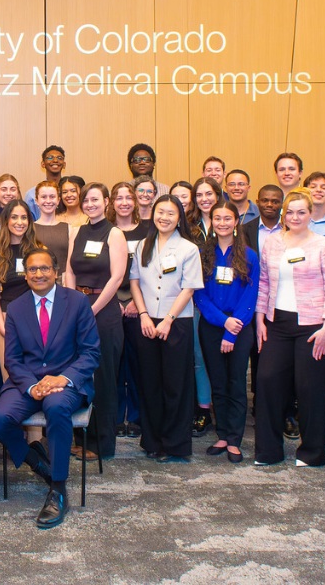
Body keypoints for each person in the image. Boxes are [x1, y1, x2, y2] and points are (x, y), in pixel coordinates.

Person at [0, 246, 101, 529]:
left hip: (67, 382)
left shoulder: (77, 303)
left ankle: (58, 488)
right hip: (27, 382)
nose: (38, 274)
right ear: (25, 275)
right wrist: (31, 387)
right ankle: (40, 465)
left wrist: (62, 379)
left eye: (44, 268)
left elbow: (91, 353)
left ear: (56, 272)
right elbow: (12, 359)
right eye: (32, 269)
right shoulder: (15, 308)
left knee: (56, 407)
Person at [253, 188, 325, 466]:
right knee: (267, 382)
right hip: (276, 323)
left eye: (301, 211)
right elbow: (264, 282)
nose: (295, 216)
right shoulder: (273, 242)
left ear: (310, 214)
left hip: (313, 325)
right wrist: (259, 318)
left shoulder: (324, 244)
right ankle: (268, 451)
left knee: (311, 388)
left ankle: (312, 452)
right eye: (289, 211)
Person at [129, 196, 204, 463]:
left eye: (171, 213)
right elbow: (135, 283)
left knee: (176, 385)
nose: (164, 217)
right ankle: (152, 440)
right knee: (150, 383)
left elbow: (190, 287)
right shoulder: (142, 246)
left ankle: (174, 444)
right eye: (161, 212)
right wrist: (144, 316)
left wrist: (169, 319)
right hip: (148, 321)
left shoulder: (188, 248)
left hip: (177, 323)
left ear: (179, 217)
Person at [65, 183, 128, 460]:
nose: (90, 204)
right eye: (86, 200)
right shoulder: (77, 231)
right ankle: (82, 438)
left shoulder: (114, 233)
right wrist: (73, 305)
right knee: (78, 375)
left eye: (95, 199)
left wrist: (92, 310)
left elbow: (116, 277)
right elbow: (69, 270)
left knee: (103, 377)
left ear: (106, 202)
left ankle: (103, 444)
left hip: (104, 310)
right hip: (78, 306)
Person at [195, 202, 259, 464]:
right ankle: (221, 434)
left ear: (236, 221)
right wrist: (223, 322)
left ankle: (234, 439)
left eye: (227, 218)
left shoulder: (248, 254)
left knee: (236, 384)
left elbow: (251, 295)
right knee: (217, 383)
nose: (222, 222)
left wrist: (232, 330)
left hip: (240, 328)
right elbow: (198, 292)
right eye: (217, 218)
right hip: (211, 326)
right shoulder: (203, 253)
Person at [0, 199, 43, 409]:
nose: (19, 222)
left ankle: (35, 439)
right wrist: (3, 328)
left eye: (24, 217)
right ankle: (14, 437)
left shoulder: (39, 251)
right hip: (5, 321)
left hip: (36, 321)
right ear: (6, 221)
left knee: (35, 376)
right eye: (14, 217)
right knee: (10, 379)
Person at [111, 181, 151, 437]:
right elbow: (101, 272)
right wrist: (113, 301)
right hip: (110, 303)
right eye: (119, 197)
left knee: (138, 365)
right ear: (111, 202)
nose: (124, 202)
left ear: (135, 202)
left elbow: (152, 271)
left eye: (129, 197)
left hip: (140, 303)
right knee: (114, 364)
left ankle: (136, 417)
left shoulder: (148, 230)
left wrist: (138, 302)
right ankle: (115, 417)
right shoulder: (105, 231)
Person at [32, 181, 72, 277]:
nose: (48, 201)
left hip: (63, 282)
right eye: (44, 197)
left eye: (52, 197)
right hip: (37, 280)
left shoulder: (69, 228)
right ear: (37, 200)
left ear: (58, 200)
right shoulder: (30, 229)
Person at [24, 145, 66, 218]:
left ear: (64, 164)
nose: (55, 160)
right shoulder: (31, 194)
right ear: (43, 164)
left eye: (59, 158)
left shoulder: (70, 192)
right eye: (50, 157)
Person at [245, 185, 284, 257]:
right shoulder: (245, 230)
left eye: (275, 202)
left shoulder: (290, 228)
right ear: (257, 202)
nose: (269, 205)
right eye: (265, 201)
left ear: (282, 204)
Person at [187, 177, 222, 244]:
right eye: (199, 195)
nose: (204, 199)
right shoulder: (188, 223)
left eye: (209, 194)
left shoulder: (226, 222)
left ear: (217, 196)